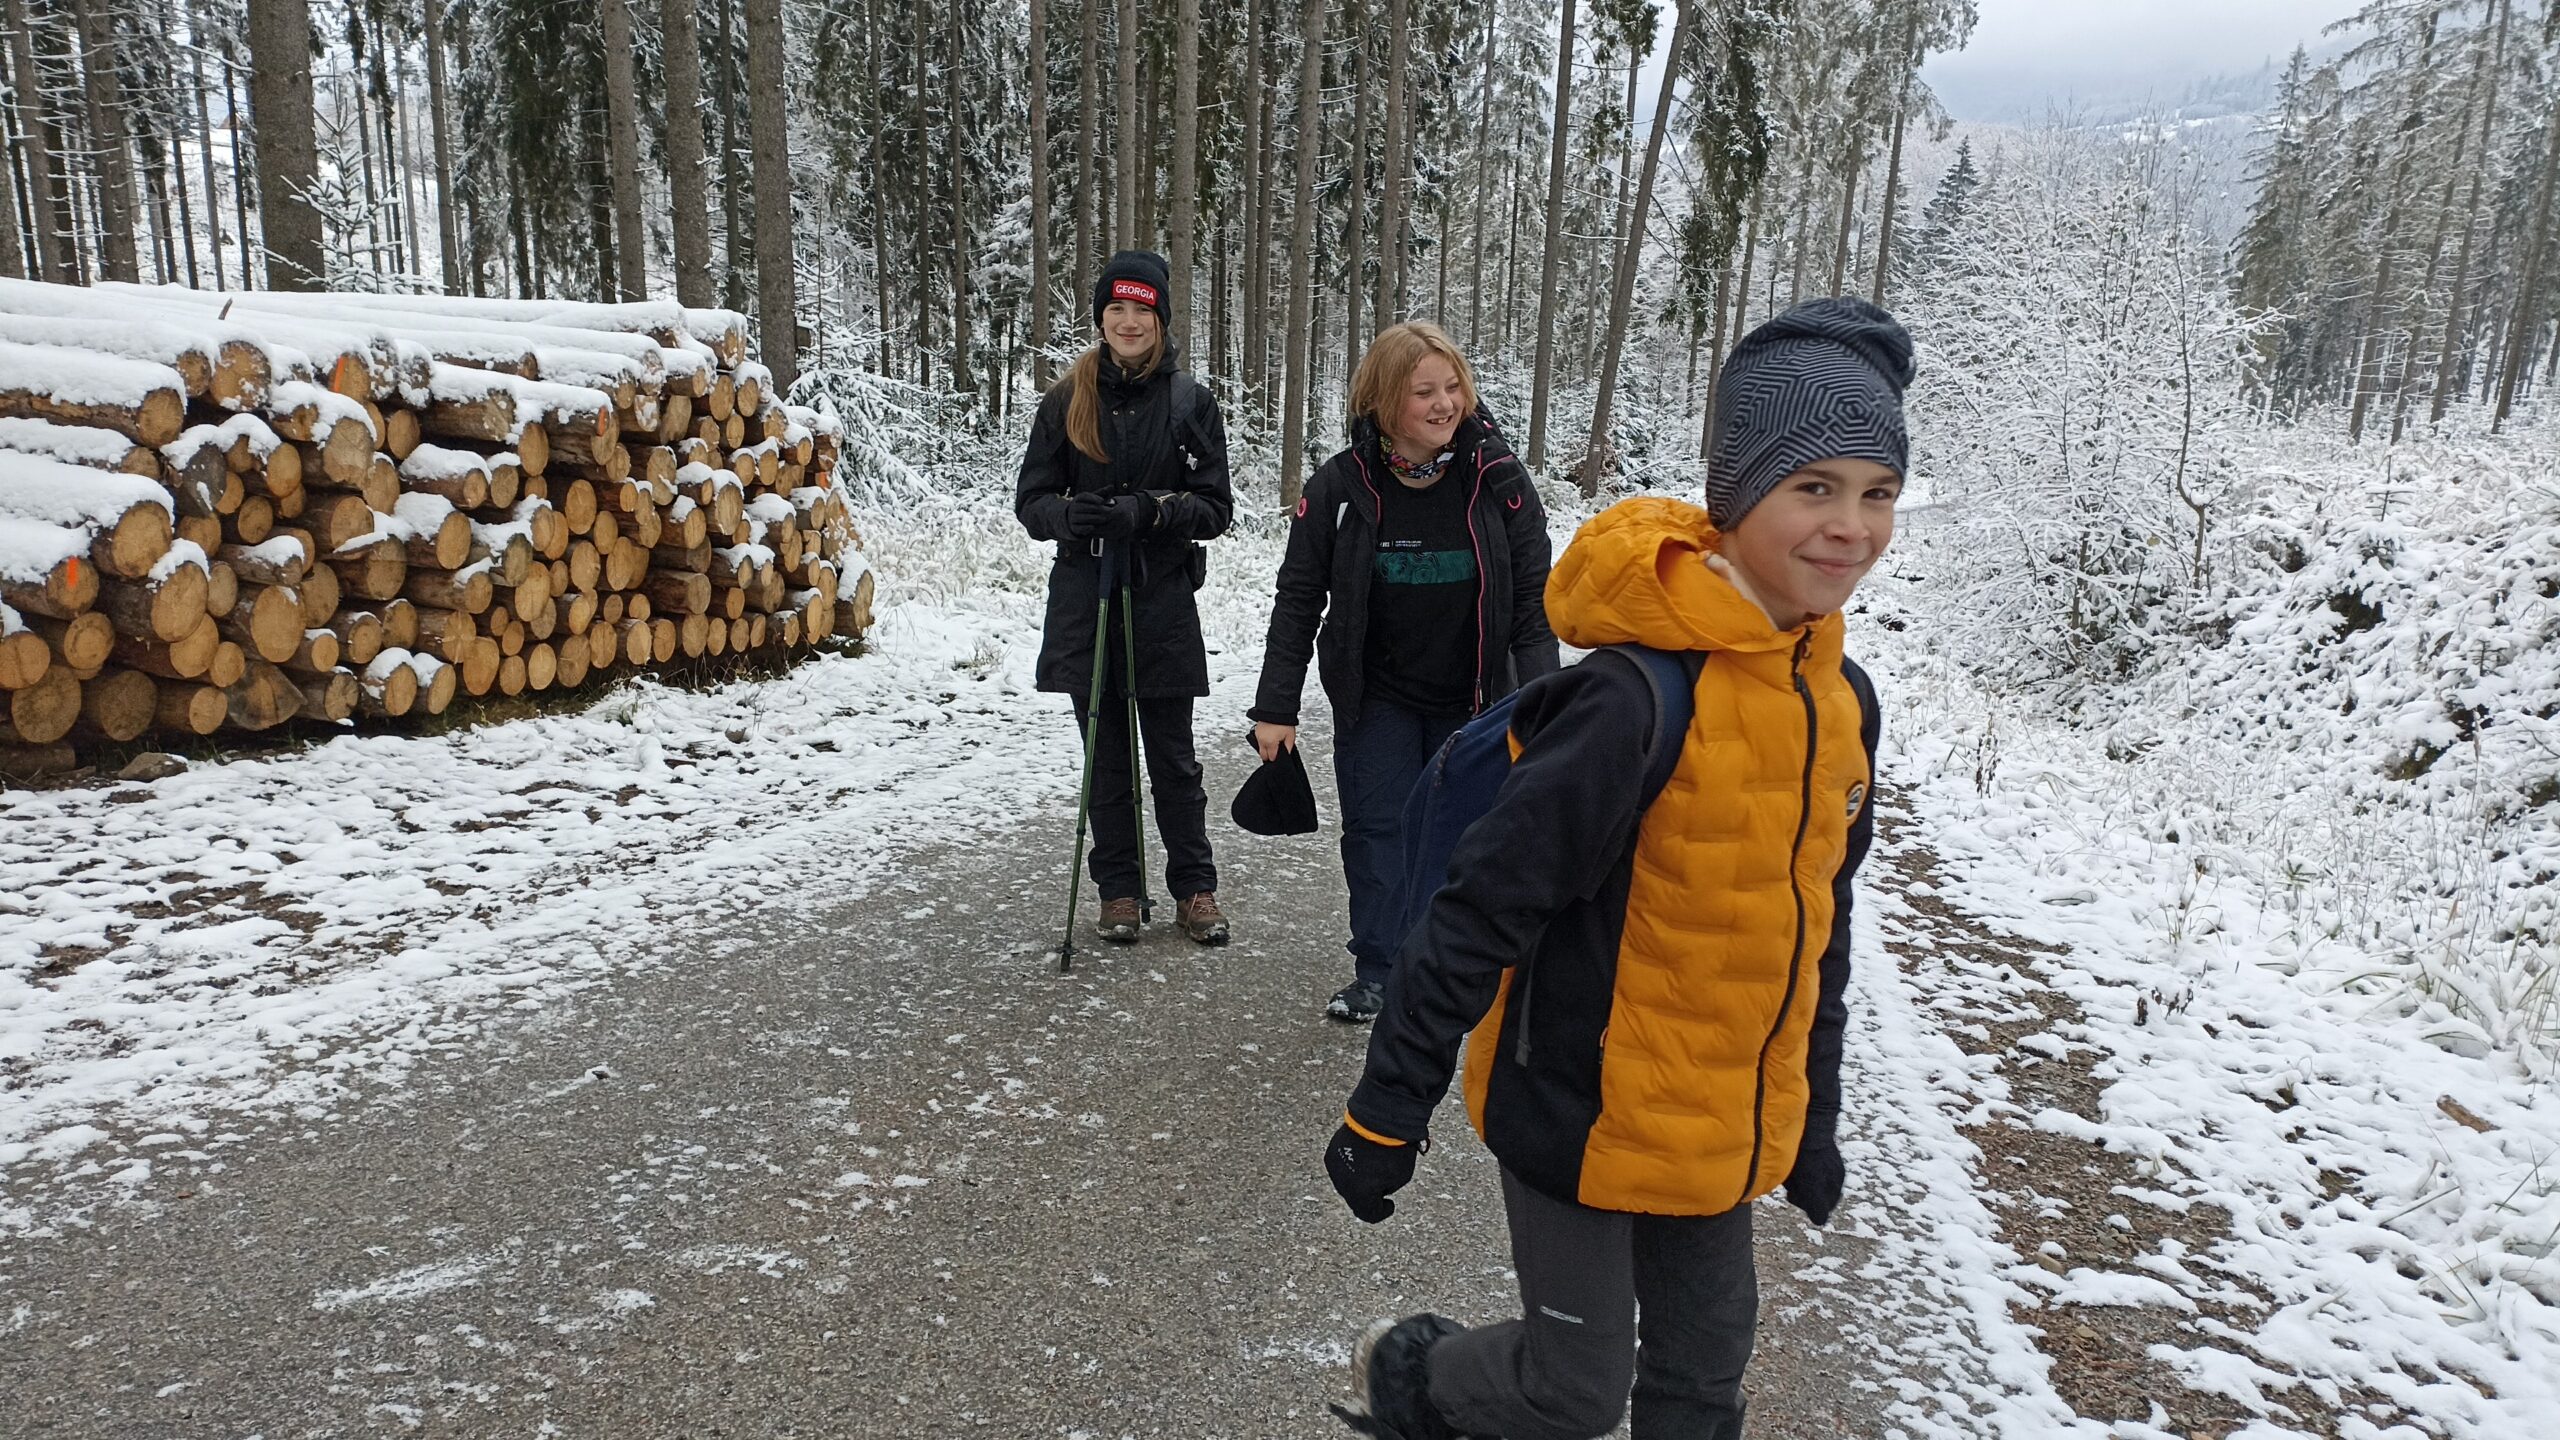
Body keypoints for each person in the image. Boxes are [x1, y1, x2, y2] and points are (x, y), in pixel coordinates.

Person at [1319, 298, 1912, 1440]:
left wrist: (1813, 1113)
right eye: (1814, 488)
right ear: (1737, 496)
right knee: (1573, 1391)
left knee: (1700, 1391)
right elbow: (1479, 911)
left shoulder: (1839, 704)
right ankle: (1413, 1374)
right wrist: (1389, 1110)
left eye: (1876, 492)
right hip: (1577, 1109)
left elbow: (1817, 936)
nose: (1850, 527)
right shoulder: (1631, 702)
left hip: (1715, 1126)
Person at [1249, 321, 1559, 1022]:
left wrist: (1543, 706)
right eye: (1424, 392)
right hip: (1377, 697)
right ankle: (1381, 972)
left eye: (1453, 388)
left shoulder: (1499, 482)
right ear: (1385, 401)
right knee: (1378, 832)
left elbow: (1532, 607)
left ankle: (1447, 970)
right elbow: (1299, 597)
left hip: (1475, 698)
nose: (1445, 404)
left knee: (1464, 839)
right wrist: (1276, 707)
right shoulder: (1341, 487)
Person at [1016, 250, 1235, 945]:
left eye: (1142, 309)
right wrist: (1067, 516)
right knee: (1105, 757)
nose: (1129, 321)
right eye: (1117, 308)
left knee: (1173, 758)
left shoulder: (1191, 403)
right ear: (1101, 317)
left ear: (1161, 319)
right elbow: (1031, 501)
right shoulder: (1066, 399)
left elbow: (1215, 508)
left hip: (1161, 597)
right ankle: (1117, 890)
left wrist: (1151, 510)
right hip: (1087, 599)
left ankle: (1194, 888)